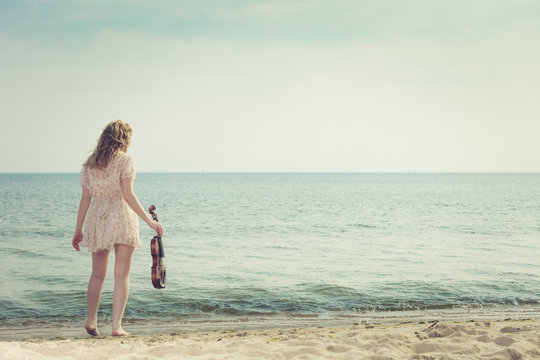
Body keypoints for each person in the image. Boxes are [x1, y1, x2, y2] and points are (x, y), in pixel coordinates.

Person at [72, 120, 163, 337]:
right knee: (121, 274)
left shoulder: (89, 165)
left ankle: (91, 321)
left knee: (97, 275)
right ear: (124, 139)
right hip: (120, 215)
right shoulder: (125, 161)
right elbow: (128, 195)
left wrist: (78, 230)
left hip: (97, 217)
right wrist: (149, 222)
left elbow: (85, 200)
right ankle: (116, 327)